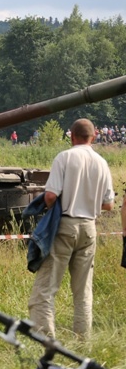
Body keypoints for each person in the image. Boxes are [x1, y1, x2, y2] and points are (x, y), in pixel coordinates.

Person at [28, 119, 114, 339]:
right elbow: (108, 204)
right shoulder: (102, 162)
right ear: (93, 137)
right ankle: (82, 341)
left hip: (65, 225)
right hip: (89, 228)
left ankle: (45, 341)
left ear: (72, 136)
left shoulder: (65, 157)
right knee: (83, 290)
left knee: (45, 289)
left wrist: (51, 209)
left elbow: (50, 195)